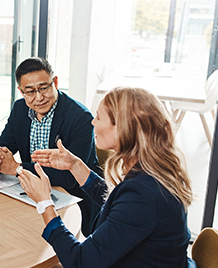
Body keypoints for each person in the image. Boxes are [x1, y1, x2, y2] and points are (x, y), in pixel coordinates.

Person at [19, 87, 195, 268]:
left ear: (123, 127)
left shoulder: (143, 194)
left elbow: (80, 262)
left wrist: (44, 203)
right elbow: (119, 204)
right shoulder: (154, 170)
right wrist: (75, 165)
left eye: (99, 117)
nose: (93, 122)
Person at [0, 57, 101, 236]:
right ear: (20, 91)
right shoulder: (20, 109)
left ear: (55, 82)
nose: (38, 97)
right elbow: (4, 146)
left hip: (72, 199)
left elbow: (70, 177)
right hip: (31, 196)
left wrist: (17, 168)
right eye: (30, 91)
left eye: (44, 88)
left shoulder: (81, 117)